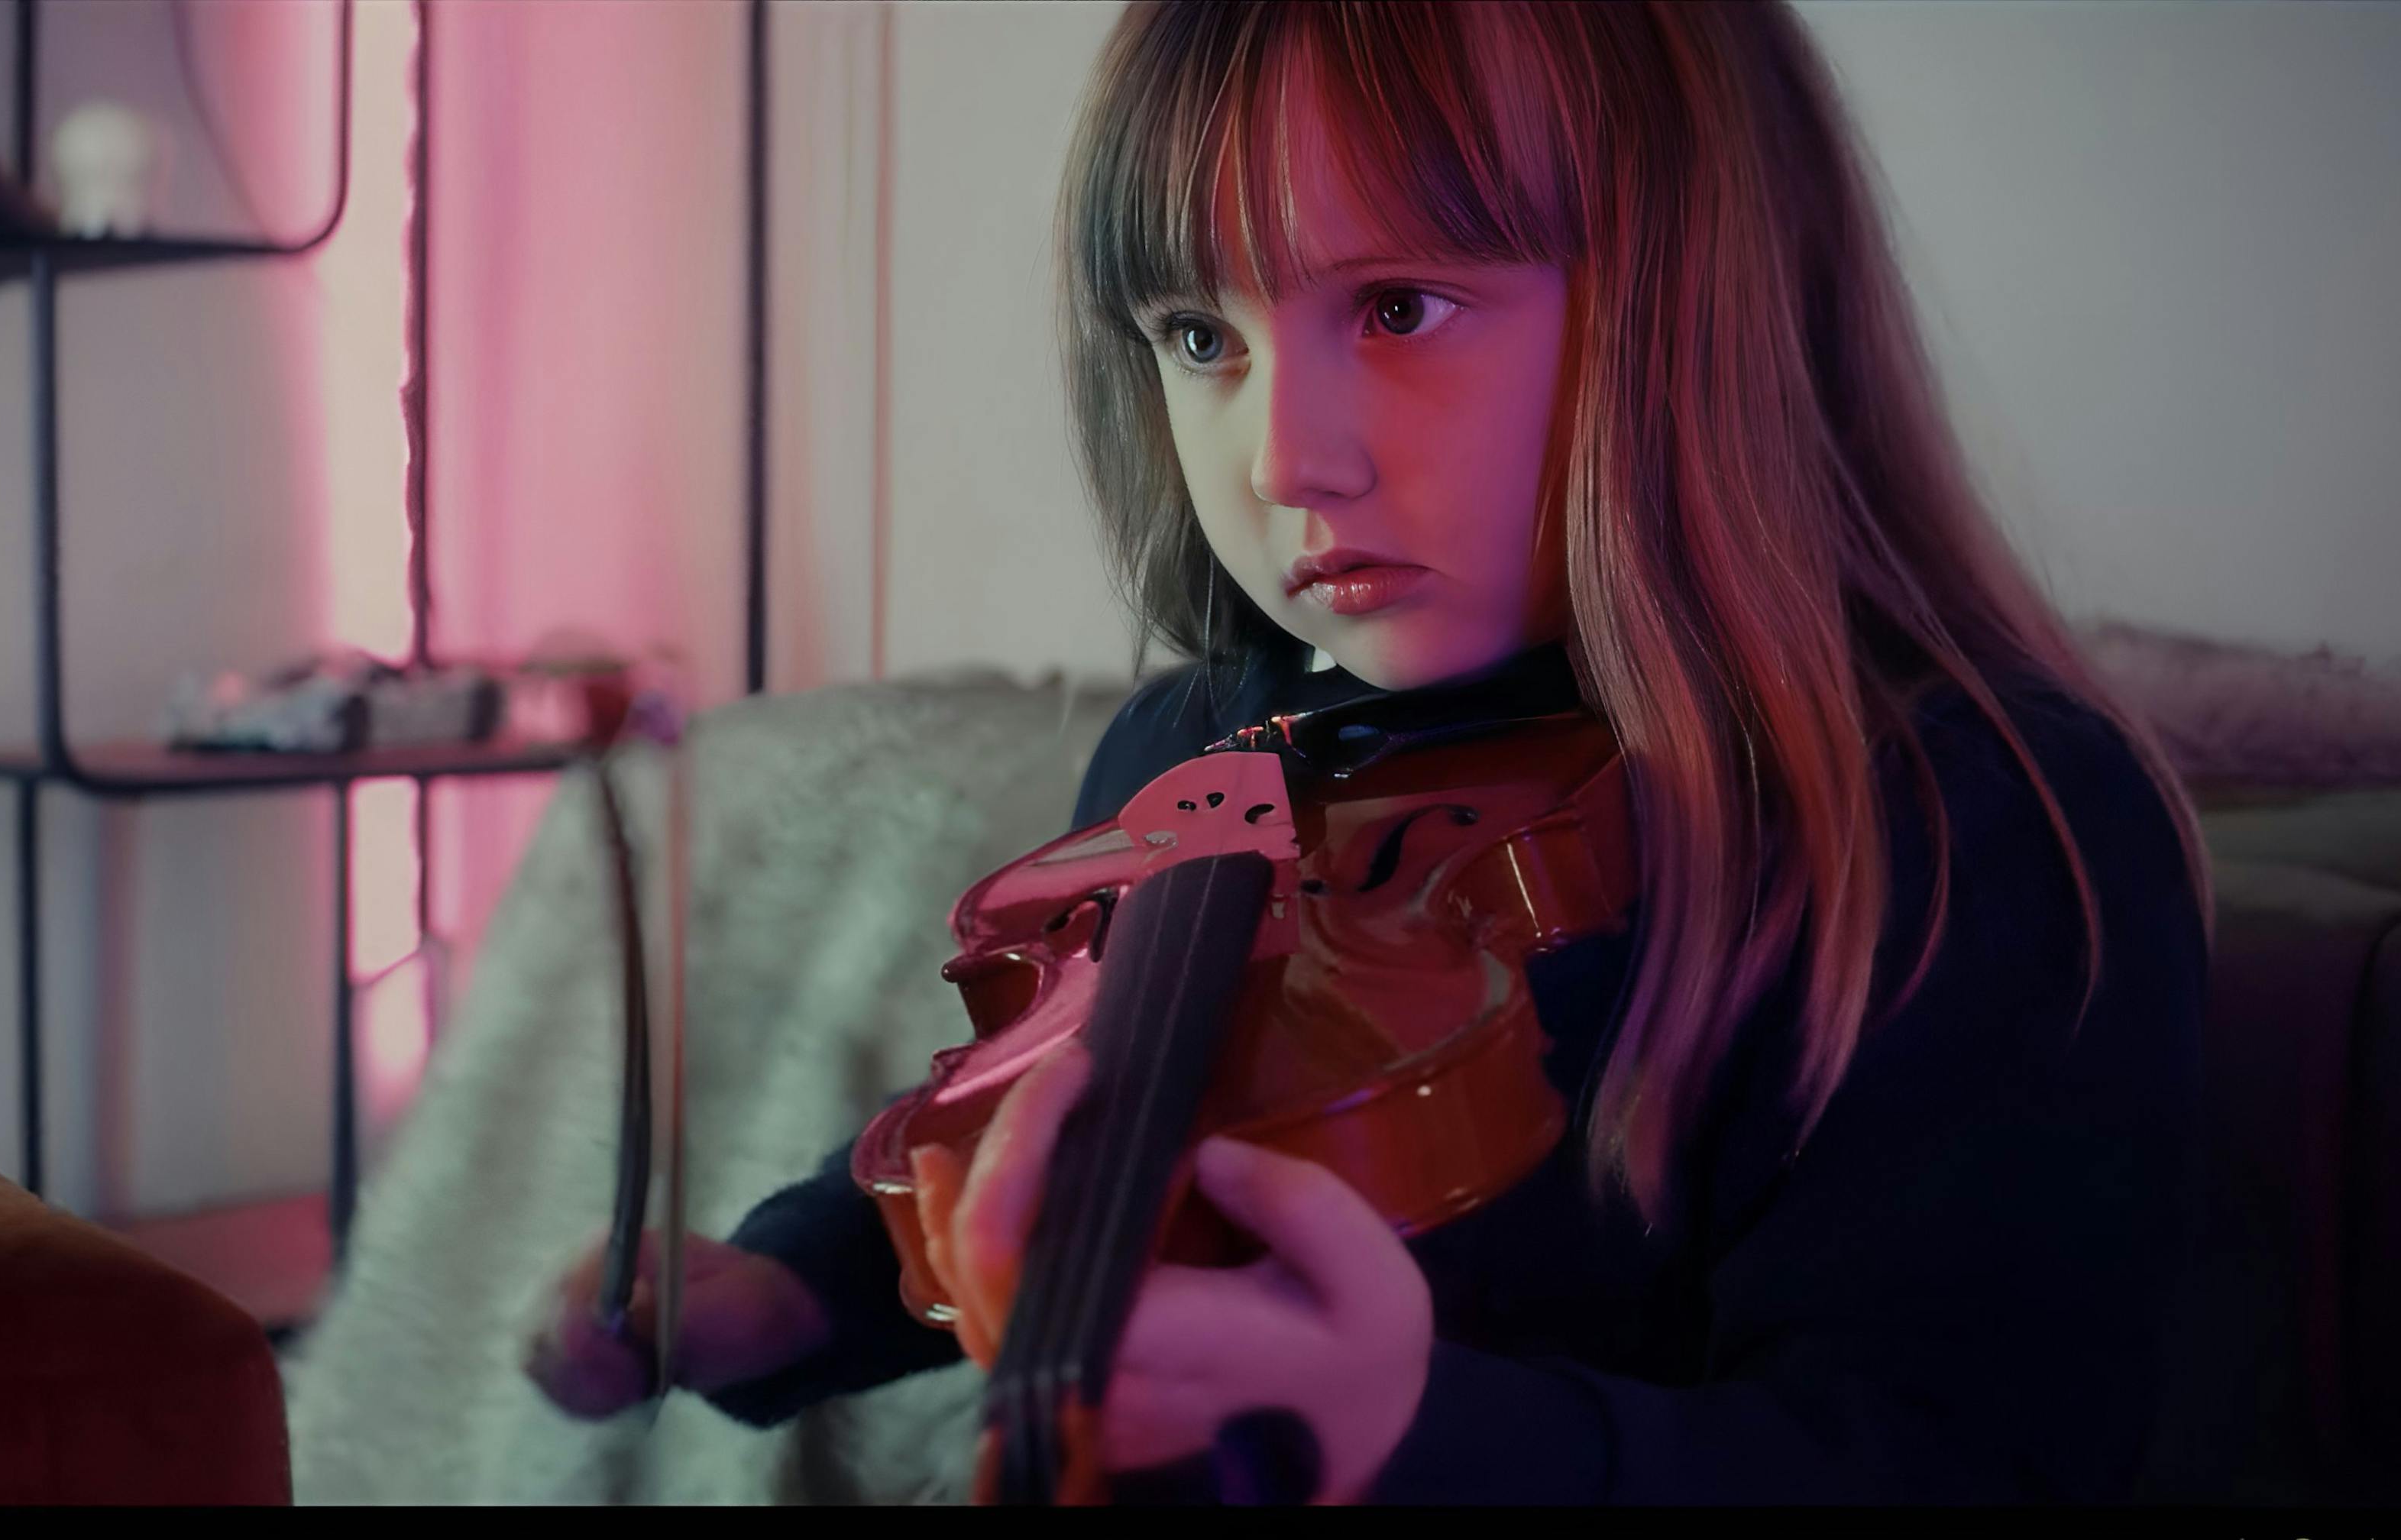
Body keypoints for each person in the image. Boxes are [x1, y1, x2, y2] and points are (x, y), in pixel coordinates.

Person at [526, 0, 2212, 1503]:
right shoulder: (1202, 746)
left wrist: (1415, 1437)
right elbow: (1044, 1118)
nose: (1285, 459)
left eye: (1399, 306)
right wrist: (789, 1289)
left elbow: (1963, 1456)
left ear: (1696, 301)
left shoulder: (1975, 823)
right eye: (1203, 338)